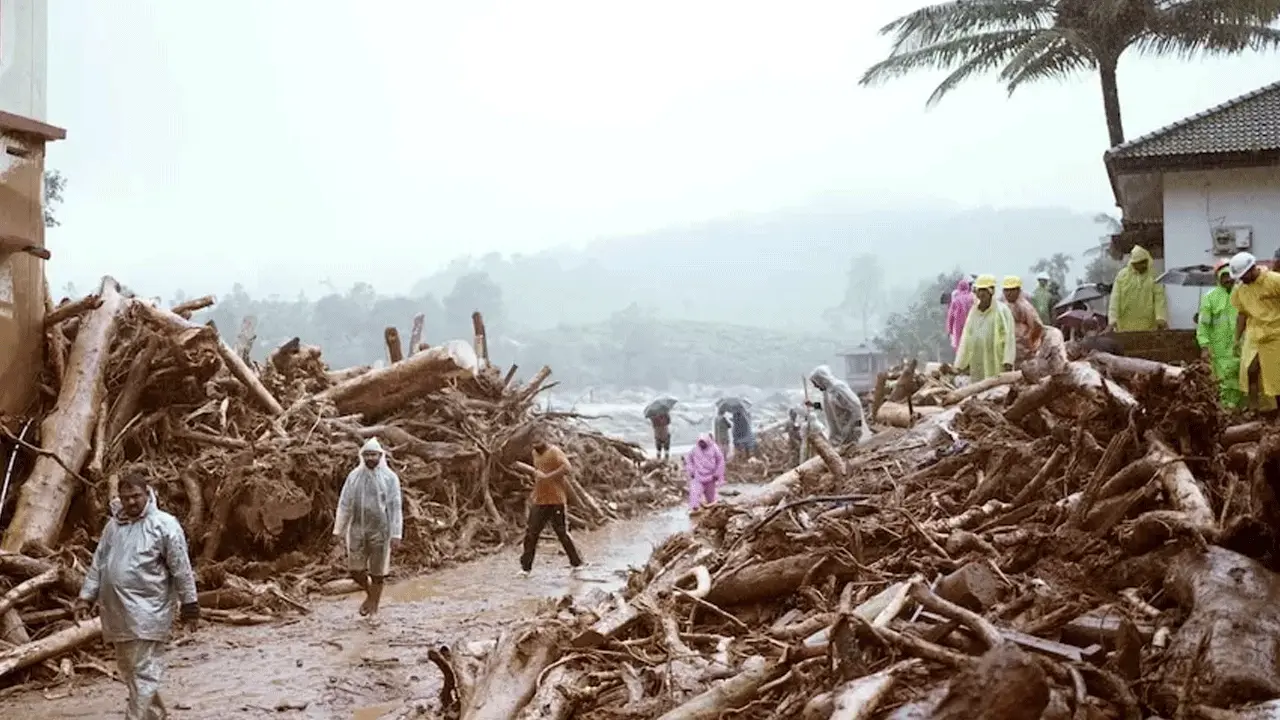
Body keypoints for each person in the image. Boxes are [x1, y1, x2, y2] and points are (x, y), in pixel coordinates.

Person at [73, 470, 199, 720]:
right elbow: (99, 563)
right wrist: (85, 597)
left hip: (148, 612)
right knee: (130, 670)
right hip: (117, 614)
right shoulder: (114, 526)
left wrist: (190, 605)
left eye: (136, 496)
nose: (131, 502)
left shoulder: (165, 525)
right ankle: (154, 715)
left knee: (141, 670)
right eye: (126, 497)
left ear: (148, 493)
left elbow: (181, 568)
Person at [334, 437, 403, 618]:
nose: (371, 458)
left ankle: (373, 606)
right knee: (355, 570)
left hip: (381, 530)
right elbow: (344, 504)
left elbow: (395, 507)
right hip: (357, 529)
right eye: (367, 455)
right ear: (362, 456)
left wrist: (396, 534)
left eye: (374, 455)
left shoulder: (390, 478)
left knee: (378, 572)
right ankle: (370, 595)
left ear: (381, 456)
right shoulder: (354, 477)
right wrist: (338, 530)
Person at [519, 437, 584, 577]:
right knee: (531, 533)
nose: (535, 445)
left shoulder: (554, 452)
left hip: (556, 500)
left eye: (537, 442)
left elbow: (567, 468)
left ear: (544, 440)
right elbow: (538, 470)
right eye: (532, 443)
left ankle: (576, 563)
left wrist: (549, 477)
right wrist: (536, 474)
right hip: (540, 500)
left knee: (561, 532)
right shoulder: (535, 454)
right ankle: (525, 568)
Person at [1230, 252, 1280, 412]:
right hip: (1254, 335)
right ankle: (1254, 409)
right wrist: (1236, 339)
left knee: (1276, 377)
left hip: (1275, 335)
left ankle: (1276, 411)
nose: (1242, 279)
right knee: (1250, 370)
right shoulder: (1240, 289)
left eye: (1244, 275)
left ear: (1253, 268)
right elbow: (1242, 314)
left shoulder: (1274, 280)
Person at [1197, 261, 1243, 409]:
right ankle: (1226, 413)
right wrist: (1204, 346)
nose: (1228, 279)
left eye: (1230, 275)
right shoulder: (1210, 298)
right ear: (1218, 278)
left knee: (1242, 382)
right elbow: (1203, 325)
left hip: (1241, 347)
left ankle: (1241, 413)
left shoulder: (1242, 293)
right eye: (1224, 276)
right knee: (1224, 383)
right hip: (1219, 350)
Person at [954, 274, 1016, 381]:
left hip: (996, 357)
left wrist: (1008, 360)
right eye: (979, 290)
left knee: (996, 387)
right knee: (978, 387)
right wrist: (960, 363)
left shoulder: (1002, 311)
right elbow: (966, 336)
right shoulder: (973, 312)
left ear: (991, 291)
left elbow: (1009, 336)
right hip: (978, 357)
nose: (981, 293)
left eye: (984, 290)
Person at [1108, 245, 1168, 332]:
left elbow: (1159, 299)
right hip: (1125, 326)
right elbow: (1115, 299)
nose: (1141, 265)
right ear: (1133, 263)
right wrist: (1112, 319)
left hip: (1148, 326)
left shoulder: (1154, 276)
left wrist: (1161, 318)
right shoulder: (1122, 276)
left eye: (1143, 262)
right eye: (1138, 263)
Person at [807, 365, 869, 446]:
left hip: (851, 430)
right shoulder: (827, 392)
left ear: (821, 380)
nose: (815, 386)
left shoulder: (838, 388)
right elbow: (828, 408)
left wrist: (854, 427)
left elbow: (856, 407)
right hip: (839, 431)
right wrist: (813, 405)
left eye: (815, 383)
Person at [1002, 275, 1044, 363]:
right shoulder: (1005, 305)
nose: (1008, 293)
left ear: (1018, 290)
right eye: (1006, 290)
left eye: (1011, 290)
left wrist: (1028, 342)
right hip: (1009, 350)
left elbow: (1038, 326)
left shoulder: (1025, 307)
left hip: (1023, 352)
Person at [684, 434, 725, 511]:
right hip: (698, 476)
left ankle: (711, 512)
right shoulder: (695, 449)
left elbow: (720, 461)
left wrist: (717, 473)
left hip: (710, 477)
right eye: (700, 442)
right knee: (694, 495)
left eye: (703, 442)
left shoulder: (714, 448)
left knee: (711, 500)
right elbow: (688, 460)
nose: (702, 444)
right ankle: (694, 510)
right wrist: (691, 471)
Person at [945, 278, 976, 351]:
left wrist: (949, 330)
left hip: (958, 326)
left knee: (959, 346)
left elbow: (950, 316)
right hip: (972, 325)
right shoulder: (973, 298)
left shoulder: (956, 300)